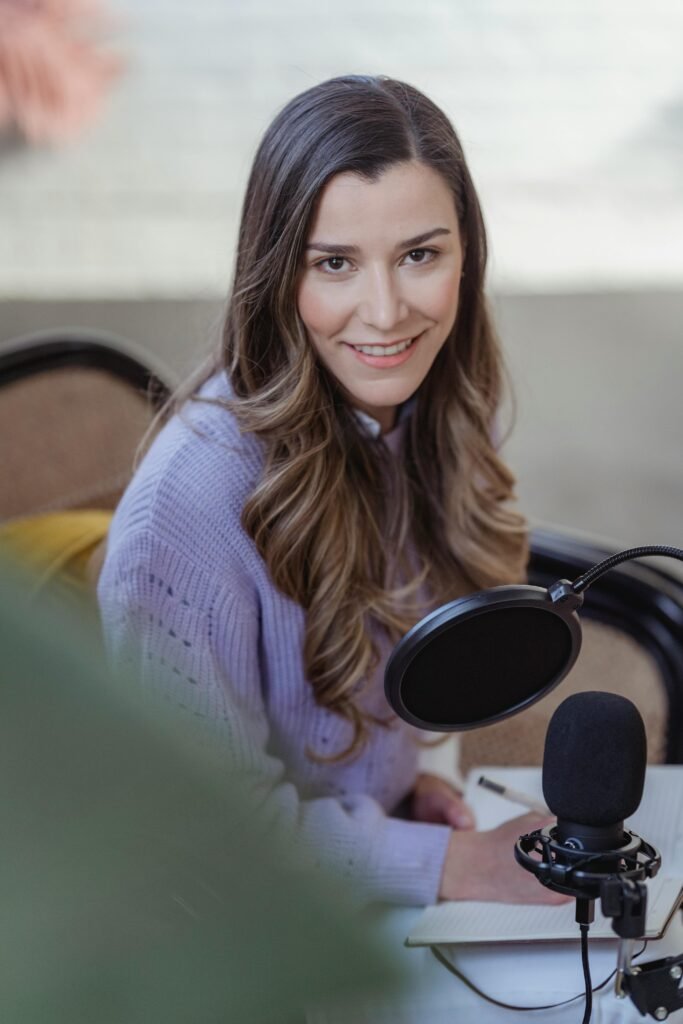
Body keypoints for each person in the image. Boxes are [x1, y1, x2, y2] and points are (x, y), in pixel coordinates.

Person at [98, 75, 565, 908]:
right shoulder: (188, 508)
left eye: (419, 255)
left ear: (466, 255)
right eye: (334, 264)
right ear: (277, 274)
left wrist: (411, 784)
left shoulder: (444, 408)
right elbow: (198, 833)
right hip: (245, 928)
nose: (384, 313)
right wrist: (448, 866)